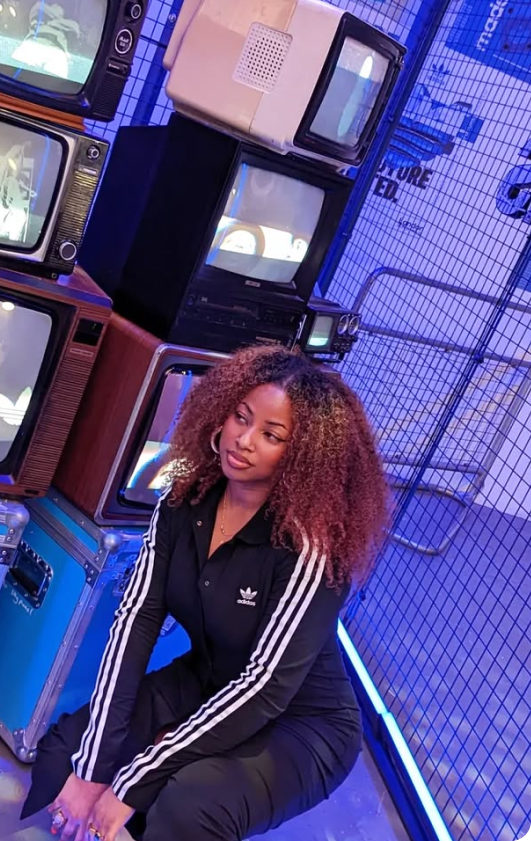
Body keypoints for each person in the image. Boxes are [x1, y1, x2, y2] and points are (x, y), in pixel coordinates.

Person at [21, 343, 391, 841]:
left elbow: (263, 688)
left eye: (271, 435)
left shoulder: (310, 547)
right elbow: (136, 622)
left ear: (303, 457)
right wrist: (92, 770)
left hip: (303, 723)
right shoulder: (183, 498)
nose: (244, 439)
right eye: (241, 416)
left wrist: (130, 782)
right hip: (207, 683)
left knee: (189, 804)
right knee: (65, 753)